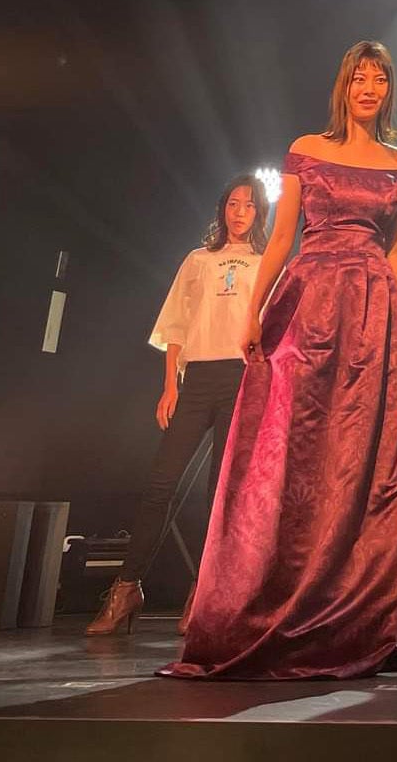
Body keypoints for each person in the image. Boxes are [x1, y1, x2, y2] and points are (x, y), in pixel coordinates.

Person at [161, 41, 397, 680]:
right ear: (343, 87)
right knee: (297, 447)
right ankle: (275, 592)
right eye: (359, 78)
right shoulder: (306, 149)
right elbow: (282, 237)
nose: (369, 88)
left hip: (373, 309)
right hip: (310, 299)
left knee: (357, 456)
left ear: (389, 91)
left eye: (379, 79)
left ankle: (347, 608)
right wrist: (254, 308)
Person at [86, 176, 268, 636]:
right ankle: (126, 588)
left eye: (249, 205)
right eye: (232, 203)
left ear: (260, 213)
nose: (239, 212)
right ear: (222, 209)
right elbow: (176, 325)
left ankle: (203, 592)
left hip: (241, 379)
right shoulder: (198, 259)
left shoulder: (268, 263)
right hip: (197, 380)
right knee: (160, 484)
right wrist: (170, 385)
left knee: (218, 493)